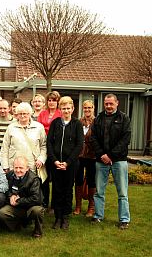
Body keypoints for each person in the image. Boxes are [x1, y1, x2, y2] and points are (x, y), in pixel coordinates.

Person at [90, 94, 131, 230]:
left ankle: (124, 219)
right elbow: (93, 138)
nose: (108, 106)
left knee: (122, 192)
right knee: (99, 191)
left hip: (119, 160)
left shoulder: (124, 118)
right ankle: (98, 216)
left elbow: (125, 140)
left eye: (111, 104)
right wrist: (102, 154)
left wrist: (111, 156)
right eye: (106, 104)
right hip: (101, 160)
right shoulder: (98, 119)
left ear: (117, 103)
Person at [47, 96, 83, 230]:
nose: (66, 111)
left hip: (70, 164)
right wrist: (55, 160)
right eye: (63, 108)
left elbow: (79, 145)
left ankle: (65, 217)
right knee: (56, 190)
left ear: (73, 109)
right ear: (60, 109)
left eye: (68, 108)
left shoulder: (77, 124)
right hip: (55, 163)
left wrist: (67, 162)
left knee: (68, 190)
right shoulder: (55, 123)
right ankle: (57, 217)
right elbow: (49, 142)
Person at [0, 156, 44, 238]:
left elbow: (36, 199)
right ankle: (16, 226)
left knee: (37, 210)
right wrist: (10, 196)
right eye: (16, 167)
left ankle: (37, 231)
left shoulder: (34, 179)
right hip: (16, 207)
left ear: (27, 168)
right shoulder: (9, 175)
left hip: (30, 207)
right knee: (2, 212)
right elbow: (5, 189)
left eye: (21, 168)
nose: (18, 170)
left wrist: (19, 201)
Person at [0, 102, 47, 177]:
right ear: (17, 115)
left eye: (25, 113)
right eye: (20, 113)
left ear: (30, 114)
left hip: (33, 165)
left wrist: (41, 159)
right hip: (15, 166)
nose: (22, 116)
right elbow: (5, 148)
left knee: (32, 186)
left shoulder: (39, 127)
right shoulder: (11, 128)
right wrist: (5, 165)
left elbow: (43, 146)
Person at [37, 91, 61, 210]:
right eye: (49, 100)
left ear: (58, 102)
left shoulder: (60, 114)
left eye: (54, 100)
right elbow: (39, 129)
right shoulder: (42, 114)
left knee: (56, 179)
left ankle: (55, 204)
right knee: (44, 178)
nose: (51, 102)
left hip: (55, 148)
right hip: (43, 147)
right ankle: (44, 202)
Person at [73, 100, 96, 217]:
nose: (87, 110)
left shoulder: (96, 122)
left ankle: (91, 207)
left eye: (89, 107)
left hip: (92, 156)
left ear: (93, 108)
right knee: (78, 179)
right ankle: (78, 206)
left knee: (92, 180)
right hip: (79, 155)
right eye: (85, 108)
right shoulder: (79, 122)